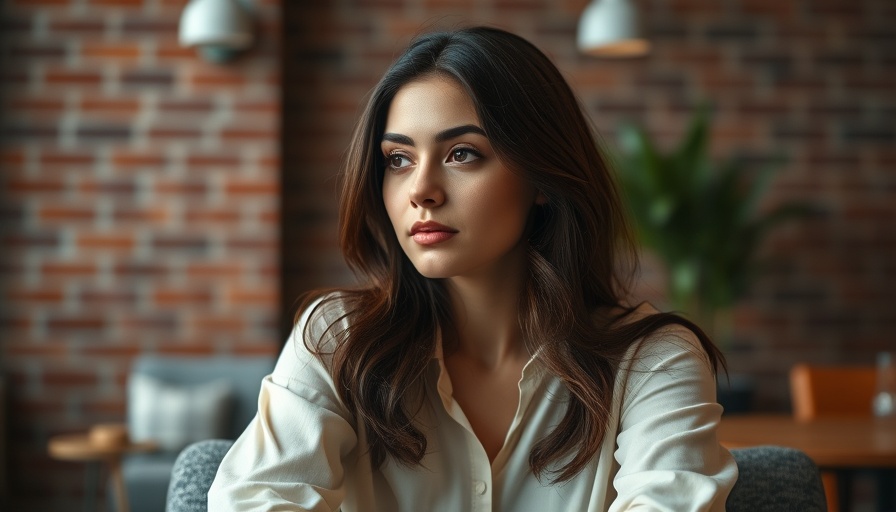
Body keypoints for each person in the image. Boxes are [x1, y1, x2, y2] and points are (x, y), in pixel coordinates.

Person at [209, 26, 738, 511]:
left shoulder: (652, 361)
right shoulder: (337, 340)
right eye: (398, 159)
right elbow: (256, 500)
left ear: (541, 176)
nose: (420, 190)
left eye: (462, 153)